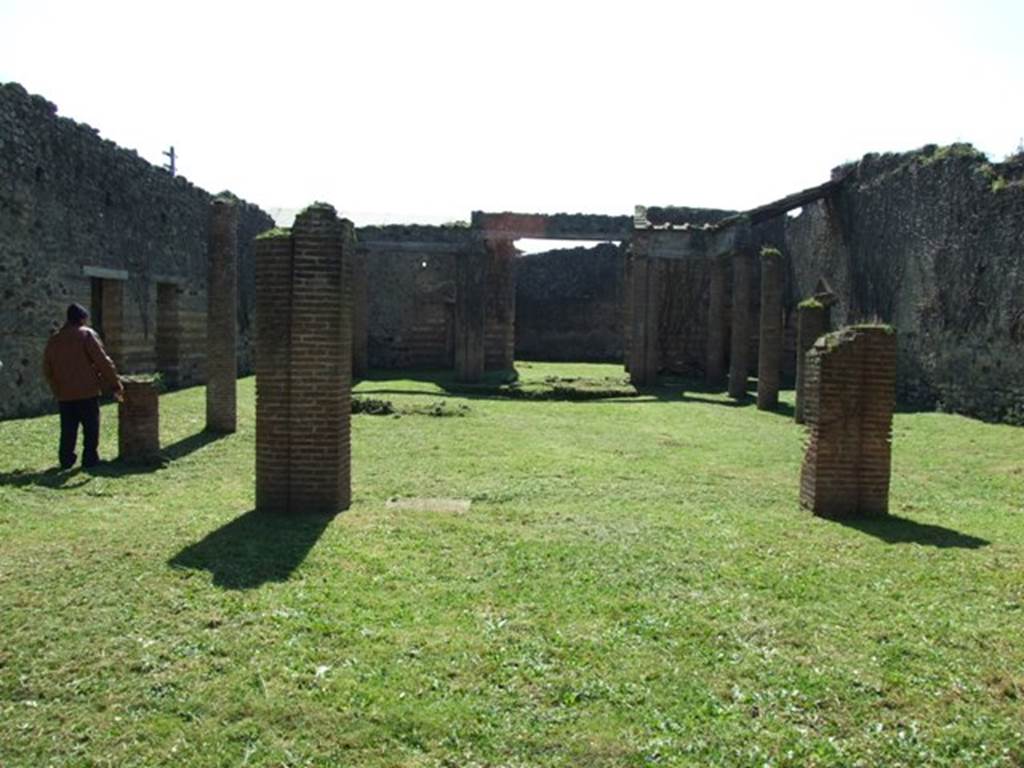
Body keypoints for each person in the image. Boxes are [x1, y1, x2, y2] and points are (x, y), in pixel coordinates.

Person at [42, 303, 124, 469]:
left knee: (68, 429)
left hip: (64, 393)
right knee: (91, 427)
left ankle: (66, 459)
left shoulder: (55, 339)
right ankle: (90, 459)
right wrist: (115, 385)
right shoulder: (86, 335)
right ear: (82, 319)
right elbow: (103, 362)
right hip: (87, 390)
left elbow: (47, 368)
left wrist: (56, 388)